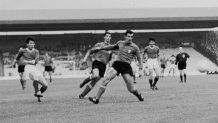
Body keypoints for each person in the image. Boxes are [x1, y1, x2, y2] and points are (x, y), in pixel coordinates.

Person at [88, 30, 144, 104]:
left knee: (131, 89)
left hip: (126, 66)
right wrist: (101, 48)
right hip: (117, 64)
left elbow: (139, 59)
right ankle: (96, 98)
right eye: (128, 36)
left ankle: (139, 95)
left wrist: (140, 69)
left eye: (131, 37)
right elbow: (111, 47)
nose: (130, 38)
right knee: (105, 80)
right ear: (125, 36)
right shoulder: (120, 43)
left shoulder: (135, 47)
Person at [79, 32, 112, 99]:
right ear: (104, 37)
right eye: (107, 36)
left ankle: (82, 95)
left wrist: (109, 65)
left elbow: (110, 59)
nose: (108, 37)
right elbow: (90, 51)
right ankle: (83, 82)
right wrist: (84, 59)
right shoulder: (99, 44)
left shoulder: (111, 48)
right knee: (95, 75)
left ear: (110, 38)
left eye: (109, 36)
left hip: (103, 66)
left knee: (94, 82)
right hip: (97, 63)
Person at [16, 36, 48, 102]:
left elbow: (36, 61)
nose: (32, 44)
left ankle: (38, 94)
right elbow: (17, 58)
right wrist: (20, 62)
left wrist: (27, 61)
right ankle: (37, 92)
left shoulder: (36, 51)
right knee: (35, 77)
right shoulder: (22, 51)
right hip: (28, 68)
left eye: (33, 43)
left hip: (35, 68)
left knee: (45, 85)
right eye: (30, 43)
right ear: (27, 44)